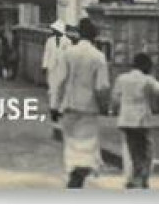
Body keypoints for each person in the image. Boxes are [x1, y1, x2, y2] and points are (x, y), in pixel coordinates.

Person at [48, 17, 111, 189]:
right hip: (89, 109)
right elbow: (102, 86)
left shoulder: (68, 54)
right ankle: (78, 177)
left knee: (72, 146)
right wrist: (105, 106)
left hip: (69, 107)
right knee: (86, 147)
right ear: (95, 36)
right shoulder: (98, 57)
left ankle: (75, 177)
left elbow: (59, 81)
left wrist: (54, 105)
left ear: (78, 34)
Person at [111, 51, 159, 189]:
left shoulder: (122, 78)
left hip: (125, 119)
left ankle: (132, 176)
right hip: (141, 120)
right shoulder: (146, 79)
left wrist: (120, 107)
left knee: (132, 148)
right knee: (145, 150)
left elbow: (115, 98)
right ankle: (141, 176)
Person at [40, 20, 67, 85]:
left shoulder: (67, 41)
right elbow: (46, 53)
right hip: (52, 66)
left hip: (62, 66)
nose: (54, 31)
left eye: (55, 29)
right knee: (52, 84)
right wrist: (44, 66)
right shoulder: (50, 40)